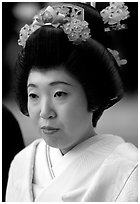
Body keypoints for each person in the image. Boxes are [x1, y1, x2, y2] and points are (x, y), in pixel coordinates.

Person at [6, 2, 138, 202]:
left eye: (59, 94)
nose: (44, 112)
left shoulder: (129, 170)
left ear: (94, 95)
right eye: (33, 95)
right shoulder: (22, 163)